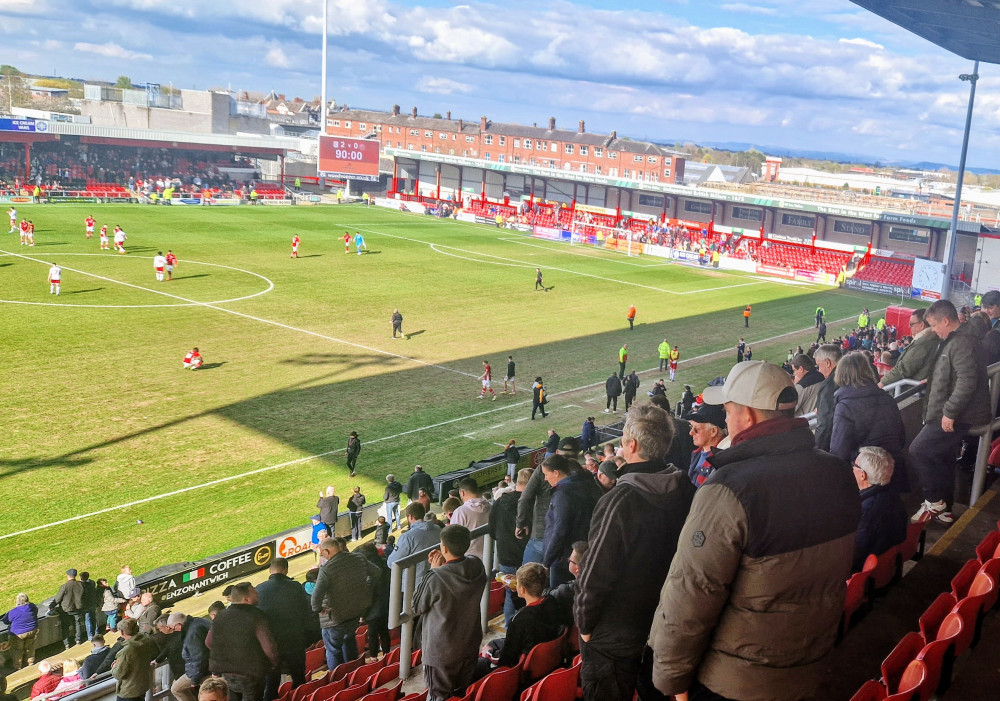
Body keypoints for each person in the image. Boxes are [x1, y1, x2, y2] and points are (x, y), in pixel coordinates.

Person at [649, 361, 861, 701]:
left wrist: (671, 678)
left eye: (729, 410)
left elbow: (691, 594)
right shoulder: (838, 470)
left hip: (737, 682)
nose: (726, 419)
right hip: (809, 665)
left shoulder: (729, 489)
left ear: (746, 417)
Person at [576, 406, 695, 701]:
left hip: (617, 633)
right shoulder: (686, 488)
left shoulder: (619, 500)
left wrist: (585, 625)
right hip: (665, 621)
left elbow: (595, 574)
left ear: (632, 445)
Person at [910, 300, 991, 524]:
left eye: (934, 325)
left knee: (918, 450)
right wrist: (933, 379)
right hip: (952, 410)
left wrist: (950, 412)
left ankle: (934, 501)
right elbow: (955, 372)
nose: (933, 331)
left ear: (946, 320)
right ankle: (945, 510)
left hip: (957, 414)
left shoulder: (962, 341)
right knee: (943, 457)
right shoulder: (958, 339)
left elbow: (967, 381)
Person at [412, 526, 488, 701]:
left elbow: (416, 606)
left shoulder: (435, 577)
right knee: (461, 692)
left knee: (439, 696)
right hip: (469, 643)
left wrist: (432, 569)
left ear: (444, 548)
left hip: (441, 654)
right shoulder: (477, 565)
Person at [831, 352, 908, 491]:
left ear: (840, 374)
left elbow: (839, 451)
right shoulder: (887, 397)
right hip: (894, 470)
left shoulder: (844, 407)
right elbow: (901, 438)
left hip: (868, 477)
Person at [478, 562, 562, 677]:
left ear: (522, 589)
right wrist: (514, 592)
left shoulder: (519, 620)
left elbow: (506, 658)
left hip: (520, 666)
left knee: (481, 658)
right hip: (544, 656)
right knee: (494, 642)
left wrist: (489, 652)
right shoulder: (551, 601)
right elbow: (532, 607)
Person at [311, 538, 379, 671]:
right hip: (356, 612)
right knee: (349, 639)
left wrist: (319, 609)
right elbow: (376, 573)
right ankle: (355, 674)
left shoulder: (327, 569)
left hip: (336, 617)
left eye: (322, 554)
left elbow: (315, 599)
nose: (322, 557)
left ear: (326, 551)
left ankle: (339, 681)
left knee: (333, 650)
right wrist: (366, 587)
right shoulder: (359, 558)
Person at [207, 582, 278, 701]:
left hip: (228, 674)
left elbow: (209, 642)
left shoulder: (221, 616)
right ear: (246, 599)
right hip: (251, 674)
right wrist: (273, 664)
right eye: (254, 593)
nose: (257, 594)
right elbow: (269, 647)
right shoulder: (257, 615)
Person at [256, 558, 313, 701]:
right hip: (295, 640)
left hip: (272, 644)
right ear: (286, 570)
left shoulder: (259, 589)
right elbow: (305, 612)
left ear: (270, 570)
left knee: (272, 683)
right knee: (299, 678)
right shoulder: (295, 587)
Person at [541, 454, 600, 588]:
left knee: (560, 596)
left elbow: (560, 530)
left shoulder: (562, 494)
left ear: (556, 473)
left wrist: (546, 561)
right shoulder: (585, 484)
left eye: (546, 474)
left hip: (563, 558)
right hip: (582, 550)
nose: (545, 478)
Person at [853, 447, 908, 572]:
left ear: (863, 474)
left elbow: (855, 552)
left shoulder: (866, 511)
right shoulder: (892, 495)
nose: (851, 468)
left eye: (854, 465)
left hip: (866, 571)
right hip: (887, 565)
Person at [489, 468, 531, 626]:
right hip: (527, 557)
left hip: (506, 555)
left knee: (510, 593)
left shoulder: (500, 502)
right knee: (529, 594)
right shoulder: (532, 503)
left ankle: (509, 629)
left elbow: (492, 530)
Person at [879, 309, 937, 387]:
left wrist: (882, 383)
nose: (909, 326)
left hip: (910, 390)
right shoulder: (931, 339)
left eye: (911, 324)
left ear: (921, 325)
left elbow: (903, 369)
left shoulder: (922, 343)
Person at [388, 502, 442, 579]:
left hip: (413, 583)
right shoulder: (437, 529)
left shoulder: (407, 537)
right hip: (435, 577)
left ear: (410, 516)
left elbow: (392, 562)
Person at [356, 544, 392, 659]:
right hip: (386, 602)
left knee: (373, 633)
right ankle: (387, 654)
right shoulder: (386, 563)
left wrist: (362, 612)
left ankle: (374, 657)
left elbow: (367, 590)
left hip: (373, 606)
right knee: (384, 631)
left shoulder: (366, 569)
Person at [166, 612, 211, 701]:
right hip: (211, 666)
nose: (173, 631)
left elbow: (199, 658)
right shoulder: (199, 621)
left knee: (176, 689)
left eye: (173, 628)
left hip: (204, 670)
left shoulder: (192, 634)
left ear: (178, 625)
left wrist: (194, 680)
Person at [112, 619, 158, 701]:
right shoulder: (147, 640)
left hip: (129, 692)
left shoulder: (127, 651)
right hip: (142, 686)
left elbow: (118, 674)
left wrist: (114, 667)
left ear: (122, 632)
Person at [686, 404, 728, 487]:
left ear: (713, 431)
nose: (691, 433)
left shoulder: (720, 461)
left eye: (696, 429)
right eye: (691, 427)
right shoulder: (696, 453)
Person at [450, 477, 491, 559]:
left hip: (470, 561)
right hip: (491, 557)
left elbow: (452, 540)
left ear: (462, 492)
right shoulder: (492, 506)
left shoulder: (460, 512)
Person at [813, 343, 843, 451]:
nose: (819, 370)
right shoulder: (853, 373)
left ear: (827, 362)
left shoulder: (830, 384)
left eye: (819, 365)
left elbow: (825, 424)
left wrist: (817, 451)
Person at [2, 592, 39, 669]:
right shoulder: (32, 606)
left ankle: (17, 666)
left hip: (18, 634)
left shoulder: (14, 611)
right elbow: (36, 612)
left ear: (18, 601)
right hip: (32, 630)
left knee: (17, 650)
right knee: (30, 646)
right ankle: (31, 661)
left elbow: (6, 621)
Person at [54, 568, 85, 649]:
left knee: (65, 626)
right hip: (77, 608)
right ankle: (78, 640)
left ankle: (67, 643)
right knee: (77, 624)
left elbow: (57, 599)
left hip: (65, 610)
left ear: (67, 576)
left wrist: (51, 606)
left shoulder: (64, 586)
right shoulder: (80, 584)